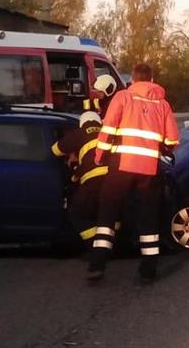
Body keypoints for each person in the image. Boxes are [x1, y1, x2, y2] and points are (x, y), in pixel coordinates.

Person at [89, 63, 179, 282]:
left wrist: (100, 157)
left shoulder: (122, 98)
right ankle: (148, 270)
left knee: (108, 213)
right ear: (152, 79)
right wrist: (161, 148)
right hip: (149, 168)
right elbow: (173, 140)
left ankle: (97, 264)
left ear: (133, 80)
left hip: (121, 164)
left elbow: (108, 129)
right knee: (149, 218)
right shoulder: (163, 105)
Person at [52, 111, 110, 243]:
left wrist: (72, 157)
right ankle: (111, 245)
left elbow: (55, 150)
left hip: (92, 180)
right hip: (112, 180)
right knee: (109, 214)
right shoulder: (107, 132)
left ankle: (94, 245)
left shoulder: (80, 133)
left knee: (78, 214)